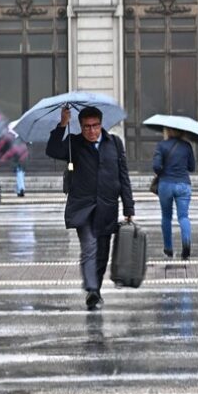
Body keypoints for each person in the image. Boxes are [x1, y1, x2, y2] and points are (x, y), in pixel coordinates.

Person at [46, 105, 135, 310]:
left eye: (95, 126)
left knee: (102, 252)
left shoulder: (114, 143)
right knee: (89, 247)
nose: (91, 131)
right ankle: (91, 288)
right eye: (86, 127)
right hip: (83, 206)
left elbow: (124, 176)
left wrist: (128, 207)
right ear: (81, 126)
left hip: (107, 206)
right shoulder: (73, 144)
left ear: (101, 124)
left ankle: (96, 289)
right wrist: (62, 125)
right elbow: (52, 150)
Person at [153, 127, 196, 259]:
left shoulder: (161, 146)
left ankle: (168, 248)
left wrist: (163, 168)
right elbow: (192, 167)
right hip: (183, 184)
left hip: (166, 184)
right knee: (183, 216)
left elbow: (156, 166)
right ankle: (186, 245)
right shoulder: (187, 146)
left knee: (166, 217)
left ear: (168, 131)